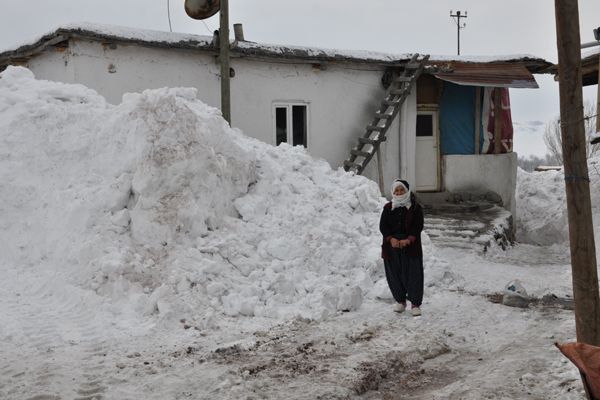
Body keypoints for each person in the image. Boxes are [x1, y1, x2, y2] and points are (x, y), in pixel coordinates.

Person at [379, 179, 424, 316]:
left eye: (402, 190)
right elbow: (383, 226)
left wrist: (408, 239)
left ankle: (415, 303)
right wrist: (390, 239)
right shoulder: (388, 208)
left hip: (411, 246)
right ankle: (400, 301)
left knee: (413, 274)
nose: (399, 193)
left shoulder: (415, 208)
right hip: (392, 246)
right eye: (396, 190)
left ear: (407, 191)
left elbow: (418, 226)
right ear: (393, 192)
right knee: (394, 274)